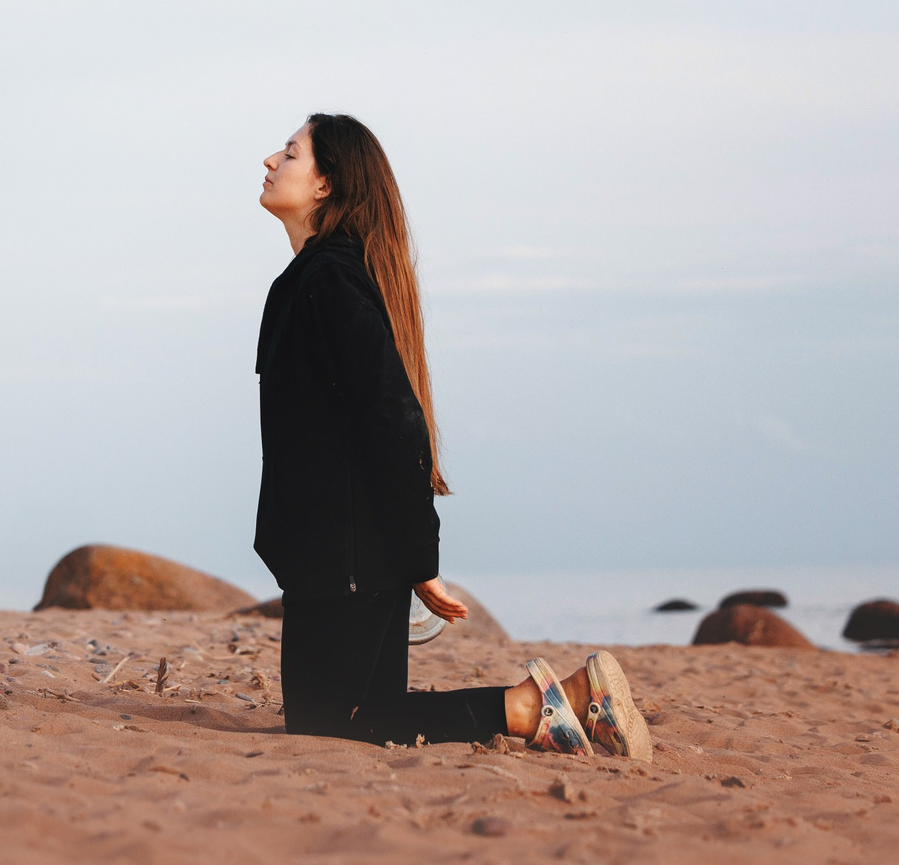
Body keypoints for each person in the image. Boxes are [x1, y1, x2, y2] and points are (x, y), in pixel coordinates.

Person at [255, 114, 651, 756]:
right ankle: (570, 705)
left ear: (326, 184)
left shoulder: (328, 281)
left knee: (334, 723)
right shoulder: (320, 279)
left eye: (291, 152)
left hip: (346, 557)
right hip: (342, 555)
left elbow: (393, 418)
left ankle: (548, 703)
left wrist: (417, 558)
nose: (271, 161)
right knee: (354, 715)